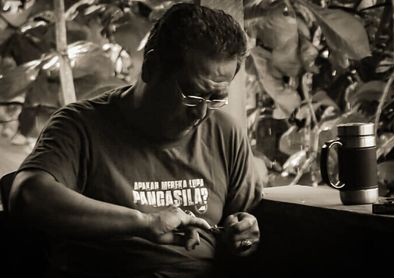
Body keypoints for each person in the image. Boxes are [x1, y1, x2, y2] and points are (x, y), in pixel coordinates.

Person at [8, 3, 263, 278]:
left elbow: (243, 219)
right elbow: (27, 195)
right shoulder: (80, 125)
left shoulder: (225, 133)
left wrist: (243, 232)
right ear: (151, 67)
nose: (201, 113)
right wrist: (144, 223)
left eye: (215, 99)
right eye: (191, 94)